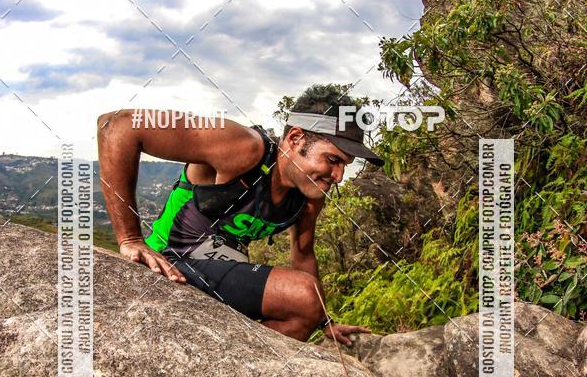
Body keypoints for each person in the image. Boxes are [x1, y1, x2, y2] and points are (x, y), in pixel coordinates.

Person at [97, 84, 382, 345]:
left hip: (214, 277)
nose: (339, 176)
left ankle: (240, 366)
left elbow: (303, 254)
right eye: (333, 160)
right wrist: (130, 238)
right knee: (304, 296)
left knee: (306, 310)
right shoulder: (243, 147)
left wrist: (325, 322)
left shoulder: (308, 196)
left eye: (345, 165)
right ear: (295, 138)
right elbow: (116, 126)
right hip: (171, 261)